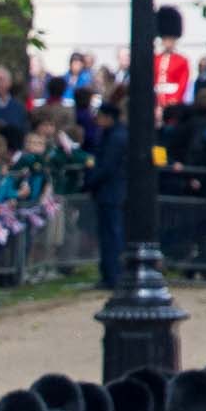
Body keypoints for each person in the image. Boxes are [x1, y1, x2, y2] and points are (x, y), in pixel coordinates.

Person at [88, 103, 128, 289]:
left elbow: (107, 167)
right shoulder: (114, 135)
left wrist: (89, 182)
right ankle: (111, 274)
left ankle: (113, 275)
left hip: (111, 193)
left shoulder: (116, 138)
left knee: (111, 235)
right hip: (111, 192)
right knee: (111, 234)